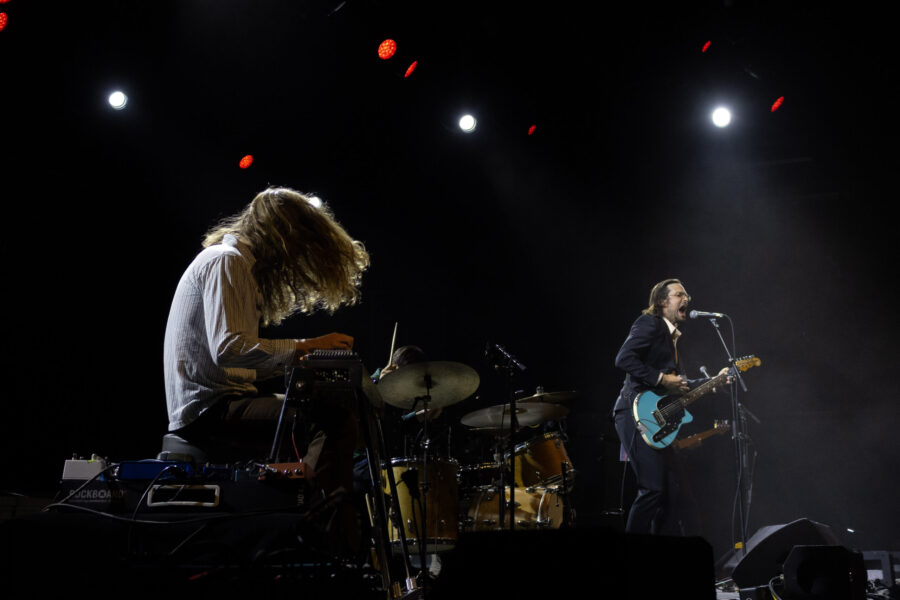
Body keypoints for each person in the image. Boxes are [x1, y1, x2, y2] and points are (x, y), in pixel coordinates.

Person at [163, 186, 370, 495]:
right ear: (281, 237)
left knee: (323, 410)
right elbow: (229, 349)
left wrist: (303, 361)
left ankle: (293, 502)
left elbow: (233, 362)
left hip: (217, 404)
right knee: (334, 421)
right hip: (208, 413)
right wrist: (305, 347)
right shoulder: (227, 261)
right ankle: (315, 511)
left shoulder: (232, 263)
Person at [612, 278, 699, 535]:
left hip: (656, 417)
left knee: (673, 493)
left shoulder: (673, 339)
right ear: (662, 301)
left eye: (687, 295)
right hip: (634, 412)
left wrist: (715, 381)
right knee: (652, 489)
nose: (686, 299)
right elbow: (623, 358)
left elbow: (678, 384)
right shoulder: (650, 323)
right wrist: (660, 378)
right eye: (679, 295)